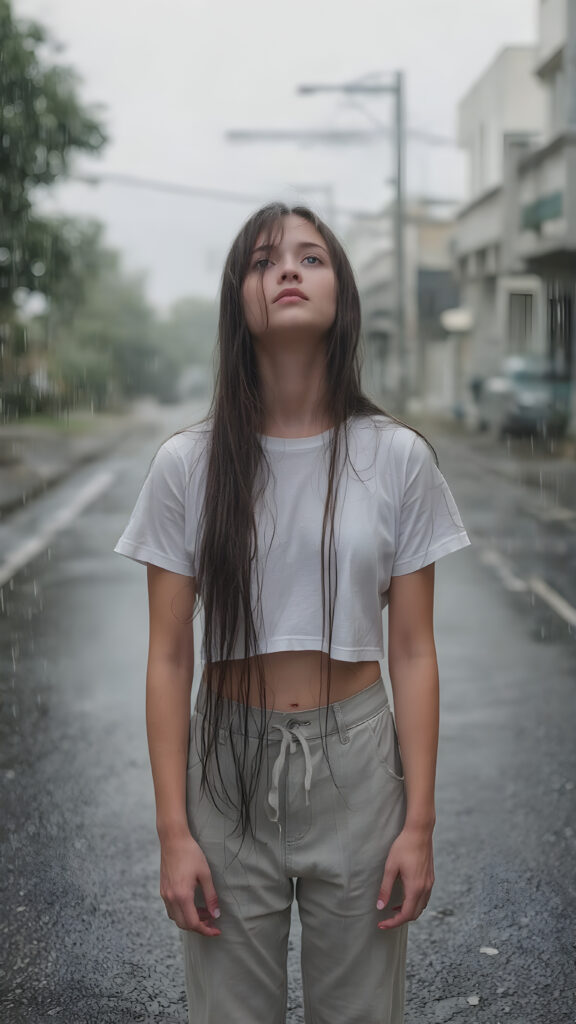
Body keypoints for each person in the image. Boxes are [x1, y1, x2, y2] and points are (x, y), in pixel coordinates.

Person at [114, 202, 471, 1024]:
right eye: (263, 260)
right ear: (237, 298)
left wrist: (419, 823)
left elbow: (413, 651)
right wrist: (173, 832)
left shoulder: (397, 456)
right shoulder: (187, 465)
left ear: (342, 294)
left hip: (360, 763)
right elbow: (168, 656)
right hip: (226, 764)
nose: (287, 270)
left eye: (311, 258)